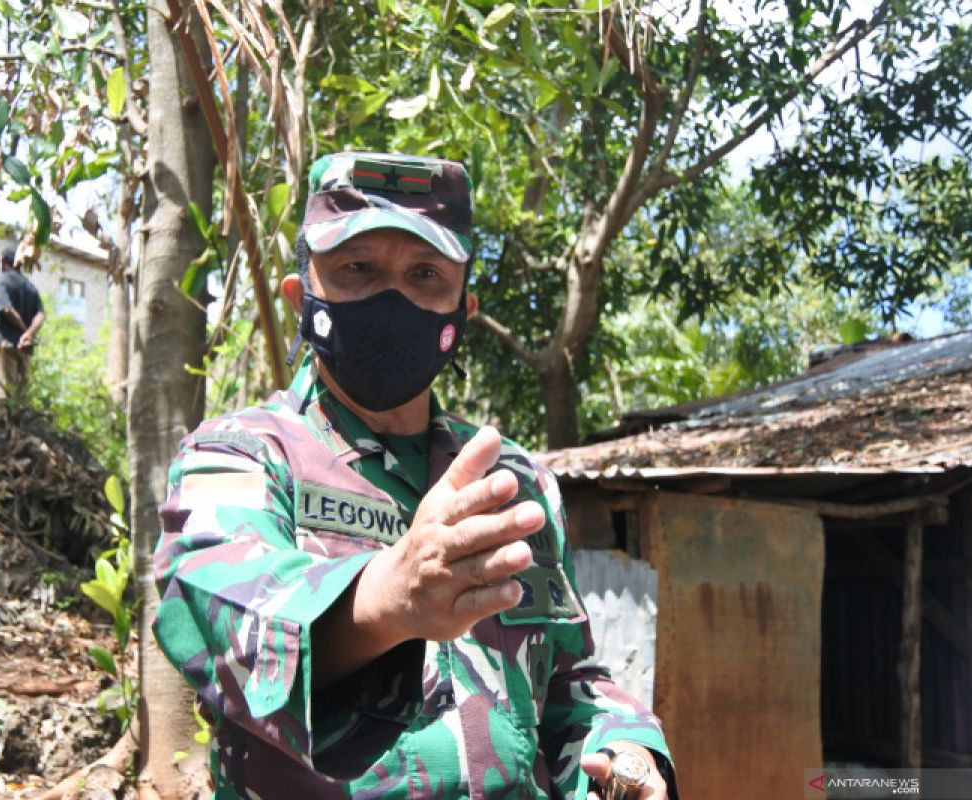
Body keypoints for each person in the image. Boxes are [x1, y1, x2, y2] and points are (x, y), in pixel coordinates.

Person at [153, 152, 677, 798]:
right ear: (302, 295)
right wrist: (384, 600)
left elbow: (570, 680)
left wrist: (624, 753)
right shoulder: (234, 458)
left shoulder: (513, 479)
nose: (392, 298)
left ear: (462, 311)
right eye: (358, 269)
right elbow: (228, 623)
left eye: (425, 274)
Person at [0, 246, 45, 399]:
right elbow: (40, 315)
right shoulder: (31, 287)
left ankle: (4, 423)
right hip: (25, 350)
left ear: (3, 262)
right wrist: (29, 334)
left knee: (3, 394)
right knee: (20, 397)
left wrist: (23, 331)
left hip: (5, 346)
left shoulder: (1, 280)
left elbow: (6, 309)